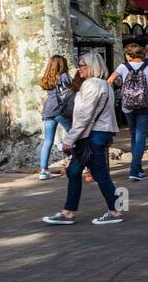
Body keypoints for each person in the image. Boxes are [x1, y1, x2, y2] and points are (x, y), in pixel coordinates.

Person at [42, 52, 122, 225]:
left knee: (93, 172)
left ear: (92, 66)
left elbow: (85, 116)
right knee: (77, 171)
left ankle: (113, 210)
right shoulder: (104, 84)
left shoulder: (92, 85)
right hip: (97, 134)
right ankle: (70, 212)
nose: (78, 68)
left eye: (82, 65)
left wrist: (69, 139)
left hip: (92, 135)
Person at [108, 43, 148, 180]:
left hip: (127, 106)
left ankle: (138, 167)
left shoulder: (123, 66)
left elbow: (110, 80)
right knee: (141, 137)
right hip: (144, 105)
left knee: (134, 135)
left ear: (128, 55)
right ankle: (134, 170)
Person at [38, 55, 74, 180]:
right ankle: (80, 163)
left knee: (48, 141)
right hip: (61, 111)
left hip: (48, 111)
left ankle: (43, 171)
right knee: (76, 135)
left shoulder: (48, 78)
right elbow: (72, 90)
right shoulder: (64, 76)